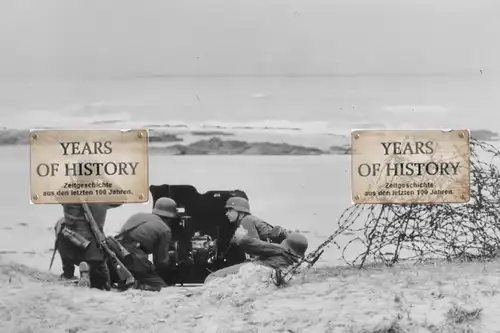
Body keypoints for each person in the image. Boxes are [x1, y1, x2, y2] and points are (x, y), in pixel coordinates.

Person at [112, 197, 177, 291]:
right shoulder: (164, 229)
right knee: (161, 288)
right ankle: (136, 287)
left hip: (116, 251)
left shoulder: (138, 215)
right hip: (135, 257)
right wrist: (171, 262)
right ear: (169, 218)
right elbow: (160, 262)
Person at [204, 225, 308, 283]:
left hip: (255, 268)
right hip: (261, 274)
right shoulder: (292, 261)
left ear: (286, 245)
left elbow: (253, 245)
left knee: (211, 278)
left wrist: (240, 235)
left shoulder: (280, 250)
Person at [55, 202, 123, 290]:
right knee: (103, 285)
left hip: (71, 247)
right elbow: (120, 200)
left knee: (61, 226)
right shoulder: (102, 196)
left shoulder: (68, 193)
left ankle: (68, 273)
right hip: (93, 251)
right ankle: (88, 271)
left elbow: (57, 195)